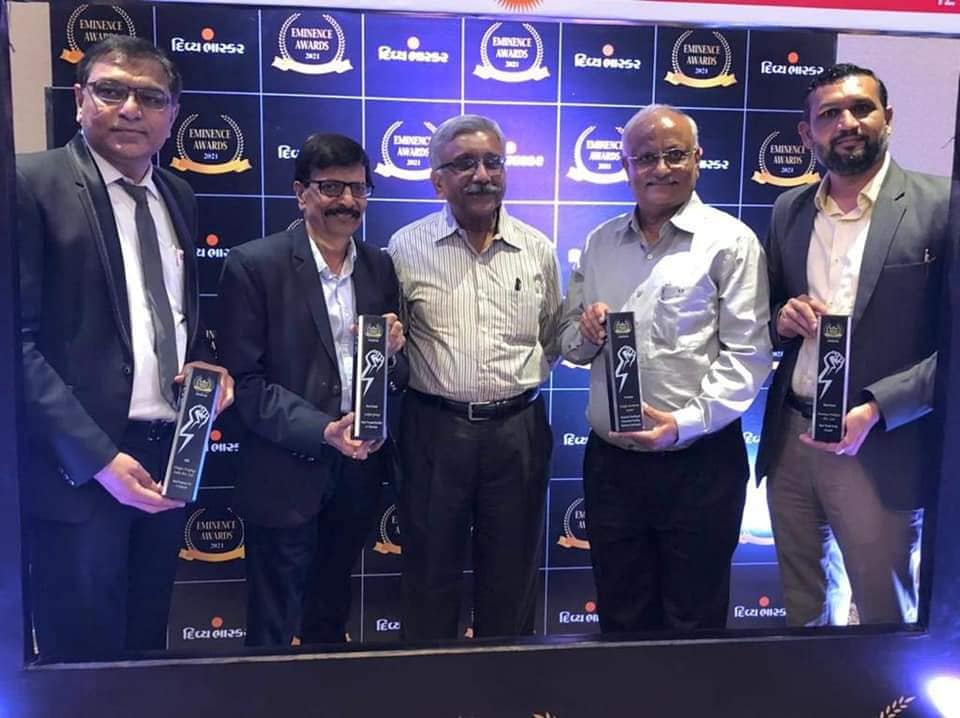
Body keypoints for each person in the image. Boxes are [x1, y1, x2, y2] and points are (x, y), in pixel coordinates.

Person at [17, 35, 233, 661]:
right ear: (80, 99)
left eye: (151, 97)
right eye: (111, 91)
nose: (131, 109)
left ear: (173, 114)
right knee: (83, 666)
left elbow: (167, 315)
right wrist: (97, 459)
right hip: (80, 470)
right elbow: (15, 345)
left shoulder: (178, 195)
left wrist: (199, 365)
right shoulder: (29, 183)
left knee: (146, 652)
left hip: (167, 457)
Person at [558, 105, 771, 632]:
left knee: (693, 623)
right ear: (626, 166)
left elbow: (748, 355)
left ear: (698, 159)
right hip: (613, 466)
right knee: (620, 617)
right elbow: (568, 344)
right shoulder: (600, 242)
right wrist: (586, 333)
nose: (660, 168)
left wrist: (682, 424)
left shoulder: (731, 241)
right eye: (645, 157)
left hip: (700, 464)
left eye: (674, 155)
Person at [756, 64, 949, 626]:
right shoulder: (788, 211)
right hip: (792, 440)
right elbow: (764, 317)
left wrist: (878, 408)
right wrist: (781, 319)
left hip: (881, 445)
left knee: (886, 617)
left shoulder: (943, 205)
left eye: (861, 108)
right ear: (806, 133)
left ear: (888, 118)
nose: (847, 123)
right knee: (805, 611)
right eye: (829, 114)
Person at [217, 133, 406, 647]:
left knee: (330, 618)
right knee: (273, 628)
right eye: (331, 188)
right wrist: (323, 430)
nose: (348, 201)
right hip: (283, 473)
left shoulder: (380, 266)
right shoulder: (254, 265)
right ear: (301, 193)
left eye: (358, 189)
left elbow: (396, 377)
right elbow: (245, 385)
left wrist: (393, 353)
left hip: (358, 474)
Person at [387, 114, 562, 640]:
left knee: (512, 578)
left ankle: (503, 685)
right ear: (437, 180)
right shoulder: (404, 249)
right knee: (429, 575)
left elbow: (552, 336)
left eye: (492, 162)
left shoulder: (538, 248)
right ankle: (428, 683)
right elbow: (393, 345)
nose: (482, 175)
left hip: (517, 431)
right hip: (434, 430)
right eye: (464, 164)